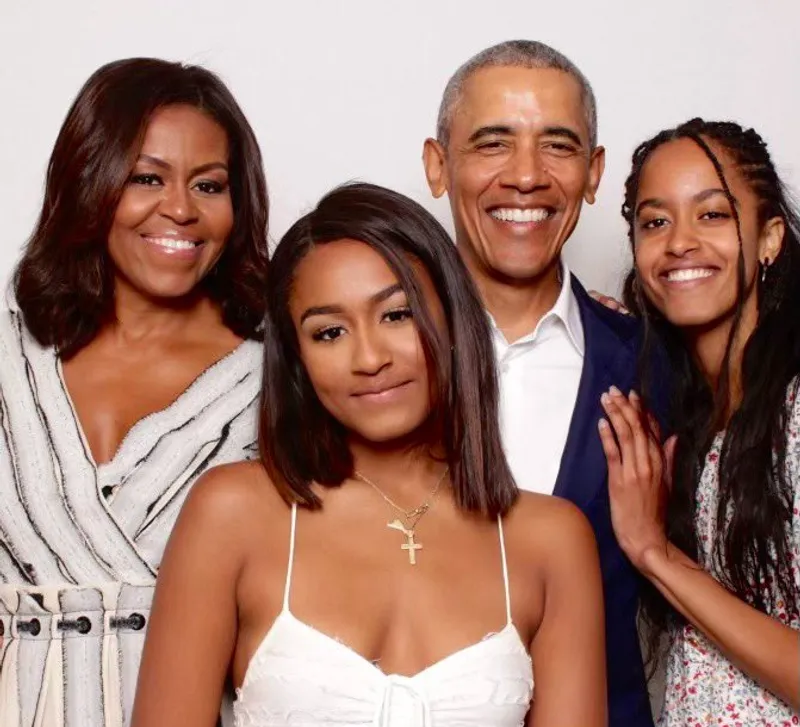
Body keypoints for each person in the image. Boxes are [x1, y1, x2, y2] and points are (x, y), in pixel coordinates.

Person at [131, 182, 606, 727]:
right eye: (329, 332)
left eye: (397, 315)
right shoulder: (233, 512)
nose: (369, 358)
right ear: (298, 361)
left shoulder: (550, 541)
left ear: (453, 318)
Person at [0, 58, 268, 727]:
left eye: (209, 185)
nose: (180, 208)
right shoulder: (9, 349)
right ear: (88, 179)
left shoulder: (280, 376)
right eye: (147, 177)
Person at [422, 39, 664, 726]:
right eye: (493, 143)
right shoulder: (364, 360)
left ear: (594, 172)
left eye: (558, 146)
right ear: (438, 165)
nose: (526, 176)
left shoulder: (656, 366)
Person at [598, 118, 800, 723]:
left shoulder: (793, 412)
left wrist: (656, 553)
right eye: (655, 222)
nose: (679, 242)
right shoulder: (698, 420)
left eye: (711, 214)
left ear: (769, 238)